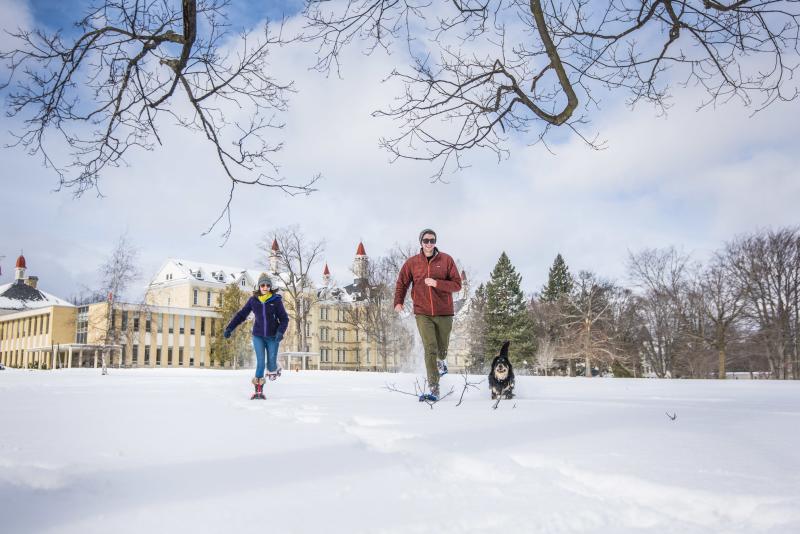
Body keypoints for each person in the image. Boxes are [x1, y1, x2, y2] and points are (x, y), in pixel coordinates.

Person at [394, 228, 462, 400]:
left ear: (435, 242)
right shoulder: (412, 263)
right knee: (430, 348)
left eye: (432, 240)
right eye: (426, 241)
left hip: (444, 312)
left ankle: (441, 361)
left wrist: (437, 283)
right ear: (421, 242)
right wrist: (398, 302)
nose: (429, 244)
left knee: (441, 349)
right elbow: (402, 283)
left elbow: (457, 285)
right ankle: (434, 389)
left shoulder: (446, 260)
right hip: (422, 312)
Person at [224, 273, 288, 400]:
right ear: (259, 286)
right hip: (258, 336)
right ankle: (258, 391)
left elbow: (284, 319)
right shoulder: (253, 300)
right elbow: (241, 315)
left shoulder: (276, 300)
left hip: (273, 337)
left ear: (270, 287)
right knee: (260, 363)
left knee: (271, 365)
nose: (265, 287)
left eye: (267, 285)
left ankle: (274, 368)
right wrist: (230, 328)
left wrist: (280, 332)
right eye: (262, 285)